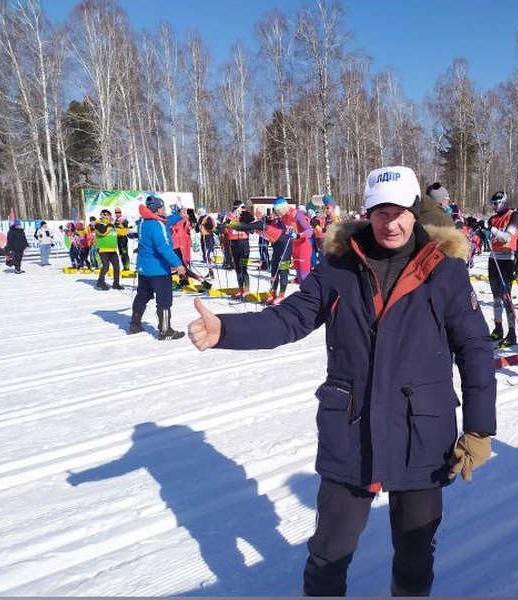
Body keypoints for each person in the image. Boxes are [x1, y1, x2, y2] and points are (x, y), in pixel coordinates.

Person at [187, 165, 497, 596]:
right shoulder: (338, 268)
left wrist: (480, 427)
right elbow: (290, 318)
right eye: (381, 211)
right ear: (367, 212)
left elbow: (476, 349)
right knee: (328, 552)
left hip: (421, 432)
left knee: (415, 552)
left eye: (400, 210)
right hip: (351, 430)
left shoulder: (445, 272)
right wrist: (227, 330)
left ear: (415, 210)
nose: (392, 222)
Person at [129, 194, 187, 340]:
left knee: (142, 296)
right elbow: (164, 247)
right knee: (164, 300)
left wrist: (178, 216)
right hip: (158, 270)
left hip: (144, 268)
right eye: (162, 207)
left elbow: (165, 222)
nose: (165, 209)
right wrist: (178, 264)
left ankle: (135, 324)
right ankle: (165, 330)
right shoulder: (156, 225)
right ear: (157, 210)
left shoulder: (143, 221)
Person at [486, 190, 518, 347]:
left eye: (496, 204)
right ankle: (498, 328)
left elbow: (506, 237)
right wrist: (481, 229)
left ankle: (512, 333)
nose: (494, 207)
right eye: (492, 204)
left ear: (504, 202)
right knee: (495, 296)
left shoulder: (514, 216)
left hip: (507, 259)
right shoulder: (493, 218)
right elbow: (491, 237)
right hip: (493, 259)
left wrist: (491, 229)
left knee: (506, 296)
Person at [94, 209, 124, 291]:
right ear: (103, 215)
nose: (110, 216)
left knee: (117, 267)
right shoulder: (98, 224)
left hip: (113, 250)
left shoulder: (111, 225)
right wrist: (110, 225)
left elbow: (121, 232)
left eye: (110, 215)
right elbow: (103, 232)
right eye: (108, 215)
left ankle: (116, 283)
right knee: (106, 267)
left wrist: (127, 229)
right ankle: (100, 282)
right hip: (103, 250)